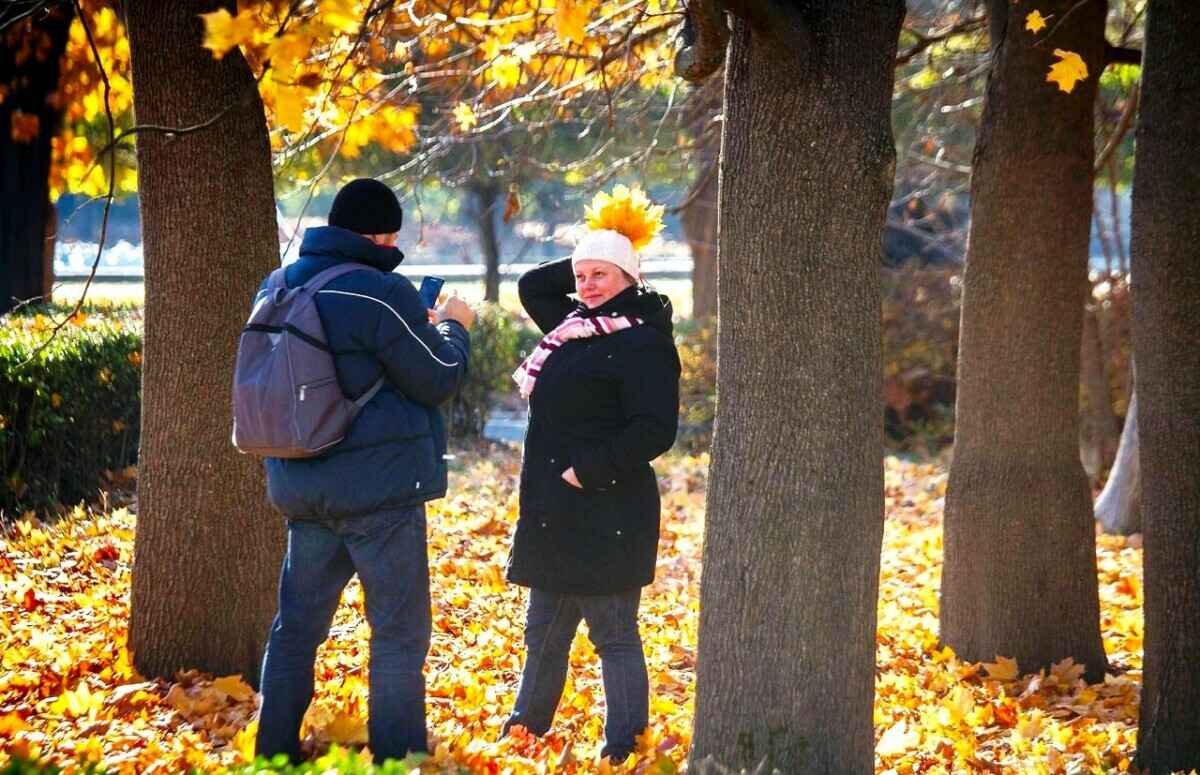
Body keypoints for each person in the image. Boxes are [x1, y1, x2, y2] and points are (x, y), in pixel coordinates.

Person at [254, 178, 475, 764]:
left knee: (296, 630)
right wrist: (455, 328)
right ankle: (398, 758)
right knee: (399, 634)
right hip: (379, 496)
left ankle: (272, 752)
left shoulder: (279, 285)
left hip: (302, 488)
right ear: (380, 235)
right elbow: (438, 376)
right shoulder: (380, 292)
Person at [503, 189, 681, 763]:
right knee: (544, 634)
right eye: (581, 275)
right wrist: (595, 246)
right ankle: (522, 737)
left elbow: (654, 429)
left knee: (614, 636)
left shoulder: (644, 341)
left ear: (629, 277)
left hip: (608, 510)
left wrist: (588, 472)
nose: (587, 285)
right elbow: (534, 285)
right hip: (553, 511)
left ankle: (624, 749)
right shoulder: (574, 325)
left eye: (601, 274)